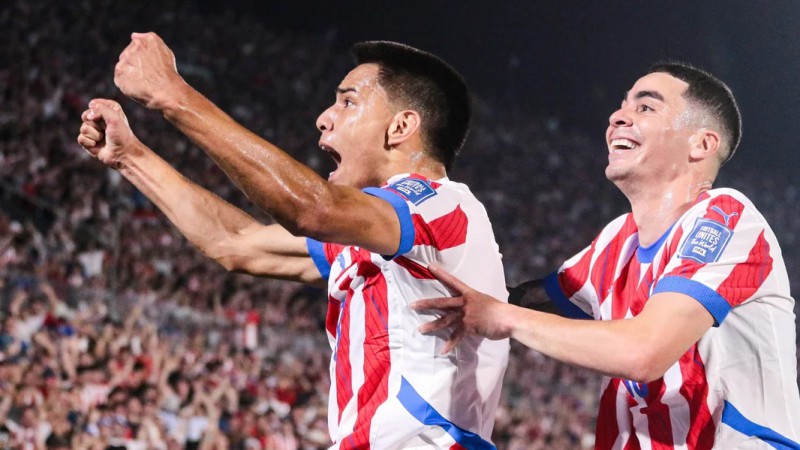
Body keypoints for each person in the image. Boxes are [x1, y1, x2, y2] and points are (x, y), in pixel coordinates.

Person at [77, 33, 509, 449]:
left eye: (348, 101)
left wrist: (171, 95)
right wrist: (130, 157)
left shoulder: (440, 206)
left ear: (400, 127)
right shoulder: (383, 236)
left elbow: (311, 210)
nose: (324, 116)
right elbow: (237, 243)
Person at [413, 62, 800, 449]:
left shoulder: (728, 217)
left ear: (701, 144)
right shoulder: (617, 240)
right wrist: (419, 268)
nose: (617, 117)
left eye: (645, 108)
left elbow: (643, 352)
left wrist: (503, 316)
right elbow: (518, 299)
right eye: (622, 105)